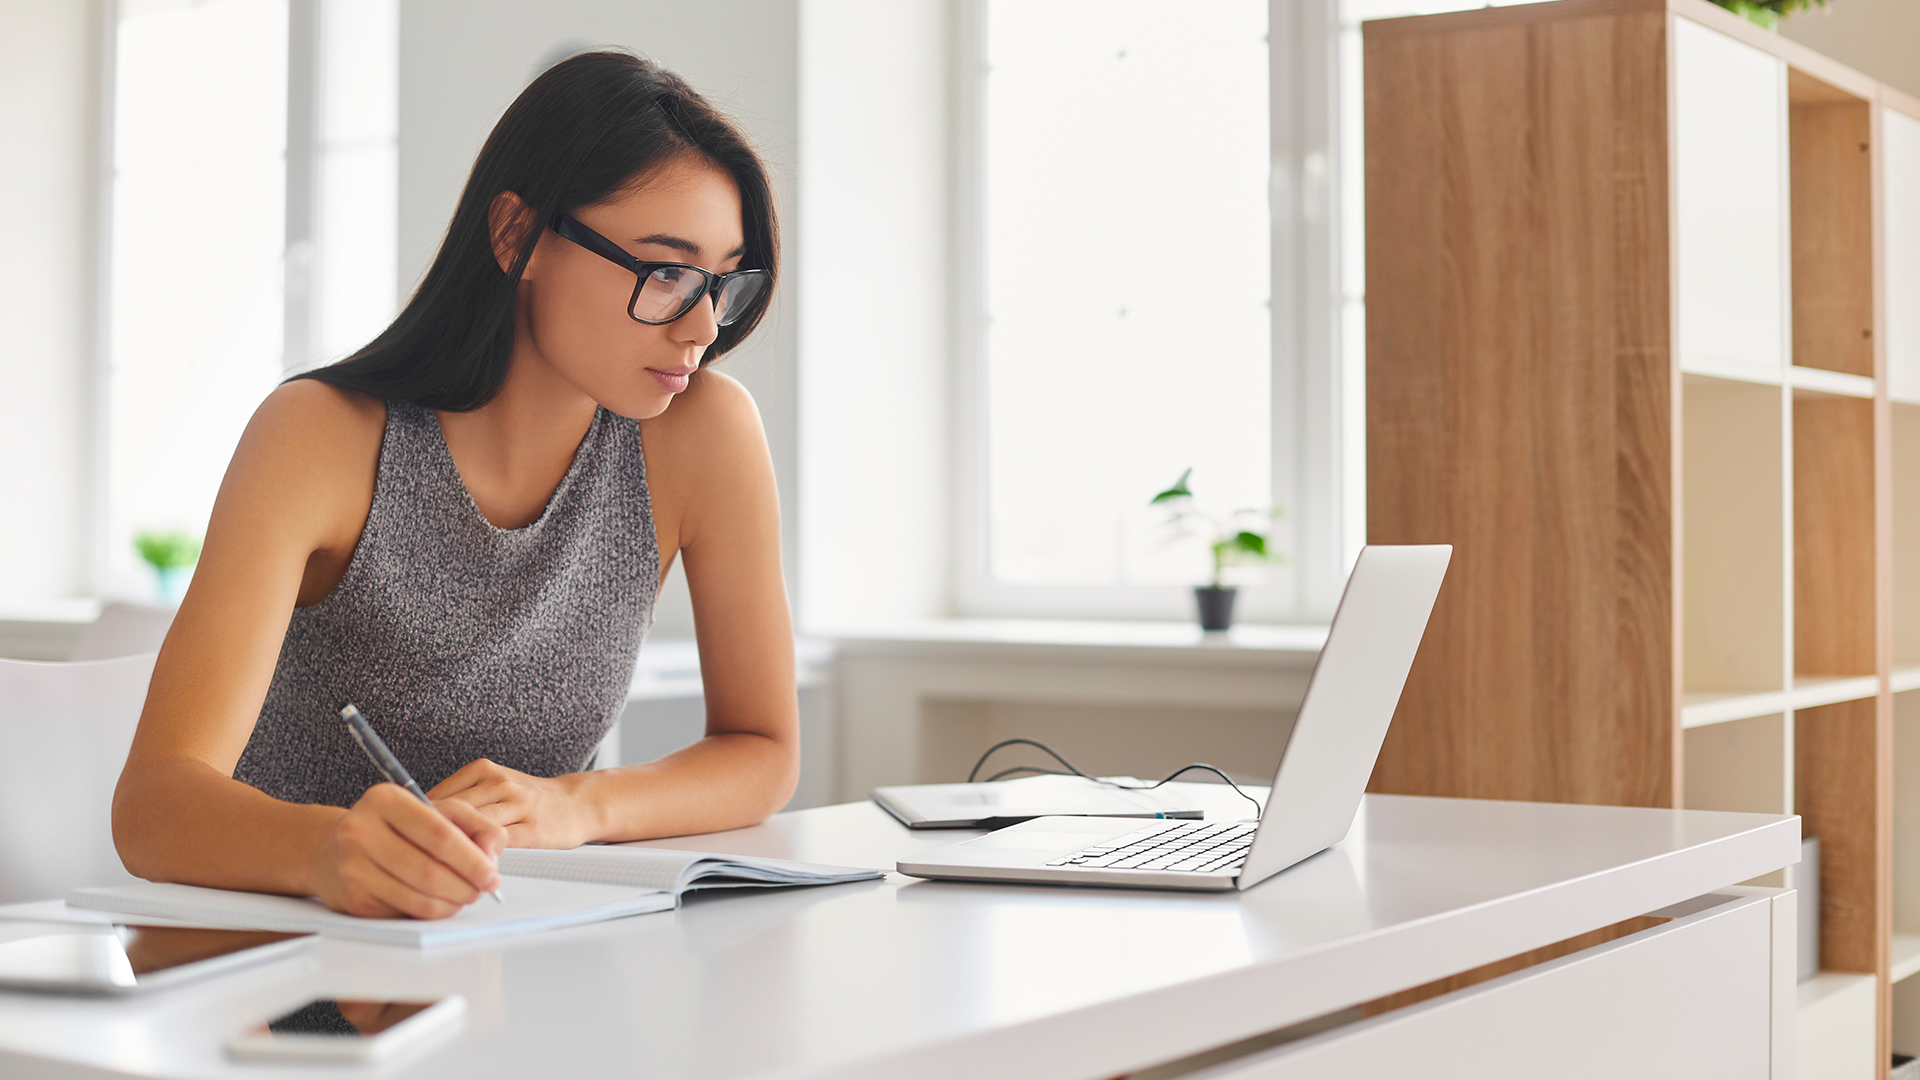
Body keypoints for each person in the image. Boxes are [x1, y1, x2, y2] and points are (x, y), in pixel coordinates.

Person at [112, 51, 797, 920]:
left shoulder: (703, 433)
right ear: (517, 235)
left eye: (722, 282)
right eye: (664, 272)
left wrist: (577, 805)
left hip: (513, 952)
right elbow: (152, 807)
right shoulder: (321, 436)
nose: (702, 326)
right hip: (281, 958)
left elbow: (762, 748)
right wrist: (328, 848)